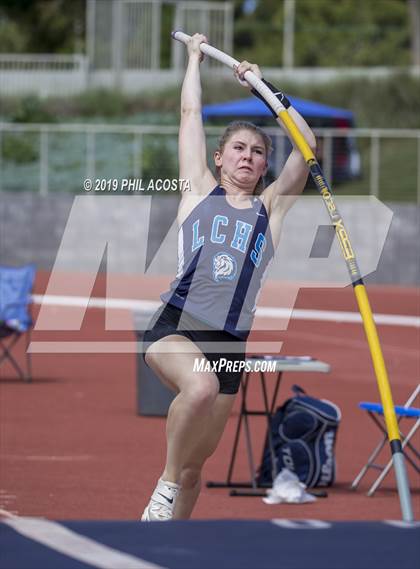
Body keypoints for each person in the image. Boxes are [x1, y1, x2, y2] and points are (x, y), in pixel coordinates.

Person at [141, 33, 316, 521]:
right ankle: (163, 488)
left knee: (199, 470)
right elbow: (190, 116)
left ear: (264, 166)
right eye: (237, 147)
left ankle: (172, 541)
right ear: (219, 158)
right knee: (197, 388)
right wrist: (194, 60)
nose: (248, 156)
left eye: (258, 151)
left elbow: (308, 146)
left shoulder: (270, 210)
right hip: (178, 326)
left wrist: (265, 90)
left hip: (230, 345)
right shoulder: (199, 191)